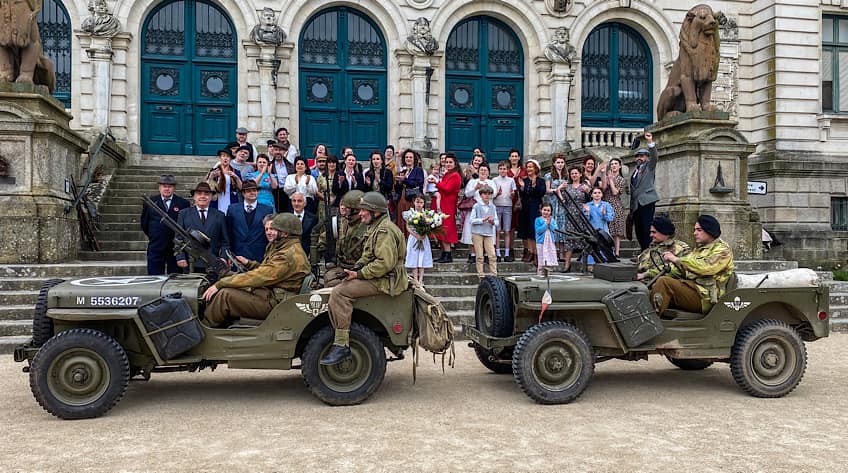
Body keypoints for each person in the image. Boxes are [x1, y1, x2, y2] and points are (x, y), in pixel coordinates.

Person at [321, 192, 408, 365]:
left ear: (375, 212)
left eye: (364, 210)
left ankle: (341, 344)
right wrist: (353, 270)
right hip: (380, 277)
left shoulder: (384, 231)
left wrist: (359, 274)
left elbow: (384, 264)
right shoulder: (376, 227)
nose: (360, 213)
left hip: (386, 280)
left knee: (340, 293)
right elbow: (368, 256)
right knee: (337, 283)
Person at [201, 213, 310, 327]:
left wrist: (220, 284)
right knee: (229, 284)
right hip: (273, 294)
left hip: (276, 303)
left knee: (225, 295)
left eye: (275, 229)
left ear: (285, 233)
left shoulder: (286, 255)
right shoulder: (284, 247)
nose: (270, 232)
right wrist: (249, 264)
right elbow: (268, 270)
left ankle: (204, 330)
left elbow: (260, 276)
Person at [650, 215, 735, 316]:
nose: (695, 233)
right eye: (695, 230)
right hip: (692, 288)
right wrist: (647, 275)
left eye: (699, 230)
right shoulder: (699, 249)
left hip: (706, 297)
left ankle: (649, 323)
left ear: (710, 230)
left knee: (664, 282)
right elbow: (682, 271)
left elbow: (705, 268)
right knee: (650, 290)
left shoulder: (723, 250)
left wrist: (676, 259)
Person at [176, 182, 230, 274]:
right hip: (191, 263)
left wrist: (223, 257)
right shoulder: (184, 214)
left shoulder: (219, 215)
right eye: (199, 194)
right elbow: (178, 238)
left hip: (213, 264)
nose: (203, 196)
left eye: (206, 194)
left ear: (211, 197)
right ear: (194, 197)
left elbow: (225, 241)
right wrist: (180, 257)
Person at [140, 174, 189, 275]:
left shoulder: (183, 203)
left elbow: (184, 225)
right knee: (154, 277)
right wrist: (155, 235)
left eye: (170, 186)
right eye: (164, 186)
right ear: (159, 187)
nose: (167, 189)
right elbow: (145, 223)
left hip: (175, 248)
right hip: (156, 246)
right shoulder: (151, 202)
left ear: (174, 188)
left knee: (175, 278)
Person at [323, 190, 368, 287]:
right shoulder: (343, 223)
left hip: (359, 270)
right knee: (327, 278)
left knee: (333, 283)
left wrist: (356, 271)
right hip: (342, 265)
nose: (344, 210)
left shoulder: (366, 228)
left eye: (348, 208)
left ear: (356, 210)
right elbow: (323, 239)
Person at [226, 180, 274, 263]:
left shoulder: (267, 209)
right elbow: (228, 233)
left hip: (259, 255)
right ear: (243, 193)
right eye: (249, 191)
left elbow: (269, 233)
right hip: (238, 254)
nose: (252, 193)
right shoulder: (232, 209)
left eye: (254, 190)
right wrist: (229, 254)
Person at [636, 216, 691, 282]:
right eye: (651, 232)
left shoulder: (680, 248)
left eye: (654, 232)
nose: (651, 235)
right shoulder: (651, 248)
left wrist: (647, 274)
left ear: (664, 232)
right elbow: (638, 264)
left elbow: (682, 271)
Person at [461, 162, 496, 263]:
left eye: (485, 170)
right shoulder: (473, 181)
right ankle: (472, 254)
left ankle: (484, 254)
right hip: (474, 209)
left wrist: (485, 188)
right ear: (478, 171)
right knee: (471, 232)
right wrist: (475, 188)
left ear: (488, 173)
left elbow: (494, 194)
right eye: (481, 170)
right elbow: (467, 194)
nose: (483, 172)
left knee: (486, 233)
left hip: (487, 210)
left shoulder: (491, 182)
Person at [630, 132, 658, 251]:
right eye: (637, 156)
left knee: (647, 229)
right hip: (636, 205)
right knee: (639, 231)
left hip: (646, 202)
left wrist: (650, 142)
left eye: (642, 156)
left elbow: (655, 157)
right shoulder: (634, 171)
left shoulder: (649, 167)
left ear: (646, 157)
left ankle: (647, 252)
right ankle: (643, 251)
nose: (639, 158)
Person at [562, 165, 591, 272]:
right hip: (570, 215)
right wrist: (560, 190)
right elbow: (563, 200)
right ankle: (567, 265)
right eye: (572, 173)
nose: (574, 175)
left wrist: (588, 191)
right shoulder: (567, 186)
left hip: (582, 215)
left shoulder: (585, 185)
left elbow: (592, 198)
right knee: (569, 240)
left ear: (580, 174)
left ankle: (584, 265)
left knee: (584, 240)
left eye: (576, 173)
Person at [517, 159, 546, 265]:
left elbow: (541, 192)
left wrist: (535, 186)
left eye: (531, 167)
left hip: (535, 207)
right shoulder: (524, 180)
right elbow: (522, 194)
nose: (529, 169)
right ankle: (530, 251)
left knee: (534, 231)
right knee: (527, 231)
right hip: (525, 208)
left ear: (535, 169)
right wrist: (523, 187)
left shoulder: (540, 181)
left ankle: (536, 254)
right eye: (528, 167)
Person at [434, 153, 461, 263]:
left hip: (449, 204)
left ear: (455, 164)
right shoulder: (447, 174)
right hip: (443, 203)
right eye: (446, 162)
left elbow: (447, 189)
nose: (448, 164)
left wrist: (436, 183)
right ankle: (444, 253)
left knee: (446, 229)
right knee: (442, 228)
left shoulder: (455, 176)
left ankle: (448, 254)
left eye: (450, 162)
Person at [599, 157, 627, 257]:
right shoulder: (607, 176)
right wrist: (604, 174)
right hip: (606, 203)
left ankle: (617, 251)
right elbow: (603, 188)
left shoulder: (621, 179)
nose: (613, 165)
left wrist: (611, 180)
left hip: (616, 204)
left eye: (616, 164)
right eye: (612, 164)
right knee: (608, 228)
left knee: (616, 229)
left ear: (619, 166)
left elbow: (615, 192)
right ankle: (608, 250)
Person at [582, 187, 615, 270]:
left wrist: (604, 214)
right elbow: (585, 220)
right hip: (591, 230)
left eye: (599, 192)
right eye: (595, 193)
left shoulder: (606, 205)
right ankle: (590, 266)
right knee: (592, 248)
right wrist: (587, 212)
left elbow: (610, 218)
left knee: (604, 247)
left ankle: (604, 265)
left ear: (602, 194)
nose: (597, 194)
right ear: (592, 195)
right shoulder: (588, 205)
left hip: (603, 231)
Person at [469, 185, 498, 280]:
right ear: (481, 195)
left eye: (489, 194)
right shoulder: (476, 206)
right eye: (485, 194)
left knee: (492, 254)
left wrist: (492, 222)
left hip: (488, 233)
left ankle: (494, 274)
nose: (487, 196)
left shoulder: (492, 207)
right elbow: (472, 220)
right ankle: (481, 275)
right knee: (480, 255)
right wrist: (482, 220)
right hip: (477, 233)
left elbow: (497, 221)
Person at [403, 193, 433, 284]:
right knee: (414, 256)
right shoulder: (410, 213)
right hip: (414, 238)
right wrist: (416, 235)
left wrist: (424, 233)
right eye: (417, 202)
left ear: (424, 203)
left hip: (423, 238)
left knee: (422, 257)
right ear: (414, 202)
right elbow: (407, 226)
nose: (419, 204)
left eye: (421, 202)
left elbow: (430, 227)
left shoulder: (426, 214)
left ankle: (421, 279)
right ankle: (415, 279)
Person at [393, 149, 424, 235]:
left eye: (410, 157)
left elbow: (418, 183)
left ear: (414, 159)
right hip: (401, 198)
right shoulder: (403, 171)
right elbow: (397, 188)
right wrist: (398, 182)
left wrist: (405, 180)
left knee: (412, 221)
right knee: (401, 220)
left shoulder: (418, 170)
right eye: (406, 157)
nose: (408, 159)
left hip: (412, 199)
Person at [545, 154, 569, 261]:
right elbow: (547, 190)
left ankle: (562, 253)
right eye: (558, 162)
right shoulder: (549, 176)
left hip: (563, 204)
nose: (560, 164)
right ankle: (553, 252)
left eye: (562, 162)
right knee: (553, 227)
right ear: (554, 163)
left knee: (562, 227)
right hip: (553, 203)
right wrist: (558, 189)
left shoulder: (566, 175)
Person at [492, 160, 516, 263]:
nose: (503, 170)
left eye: (505, 169)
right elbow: (492, 194)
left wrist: (512, 194)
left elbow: (513, 192)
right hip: (497, 206)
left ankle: (506, 253)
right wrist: (497, 193)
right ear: (498, 170)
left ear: (508, 170)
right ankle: (497, 253)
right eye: (501, 169)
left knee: (507, 231)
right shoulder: (494, 180)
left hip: (507, 206)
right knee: (497, 231)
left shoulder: (511, 180)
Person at [207, 149, 242, 215]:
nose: (225, 158)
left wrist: (236, 177)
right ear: (220, 158)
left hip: (231, 199)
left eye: (228, 156)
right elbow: (207, 187)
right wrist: (211, 177)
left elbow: (241, 188)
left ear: (231, 159)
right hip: (217, 200)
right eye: (223, 156)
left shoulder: (235, 171)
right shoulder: (214, 171)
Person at [507, 148, 526, 262]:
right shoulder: (507, 170)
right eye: (512, 156)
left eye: (516, 156)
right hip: (510, 201)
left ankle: (526, 251)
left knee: (523, 227)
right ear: (509, 158)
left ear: (519, 158)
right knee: (511, 228)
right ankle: (511, 250)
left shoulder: (524, 170)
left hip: (522, 200)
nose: (514, 158)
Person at [269, 140, 295, 214]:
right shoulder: (269, 165)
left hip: (288, 193)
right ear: (273, 151)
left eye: (280, 150)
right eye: (276, 150)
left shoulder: (290, 166)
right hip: (275, 193)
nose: (278, 152)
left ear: (284, 152)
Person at [289, 192, 318, 257]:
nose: (296, 204)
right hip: (290, 253)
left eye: (299, 201)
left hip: (307, 254)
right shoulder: (286, 217)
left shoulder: (313, 219)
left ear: (305, 203)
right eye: (294, 201)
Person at [535, 202, 559, 276]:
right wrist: (546, 224)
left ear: (551, 211)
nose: (546, 212)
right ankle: (540, 272)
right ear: (541, 210)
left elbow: (555, 229)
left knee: (549, 256)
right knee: (541, 257)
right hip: (541, 242)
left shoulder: (552, 220)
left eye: (548, 210)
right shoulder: (538, 220)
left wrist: (550, 224)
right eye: (544, 210)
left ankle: (548, 272)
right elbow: (538, 231)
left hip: (550, 242)